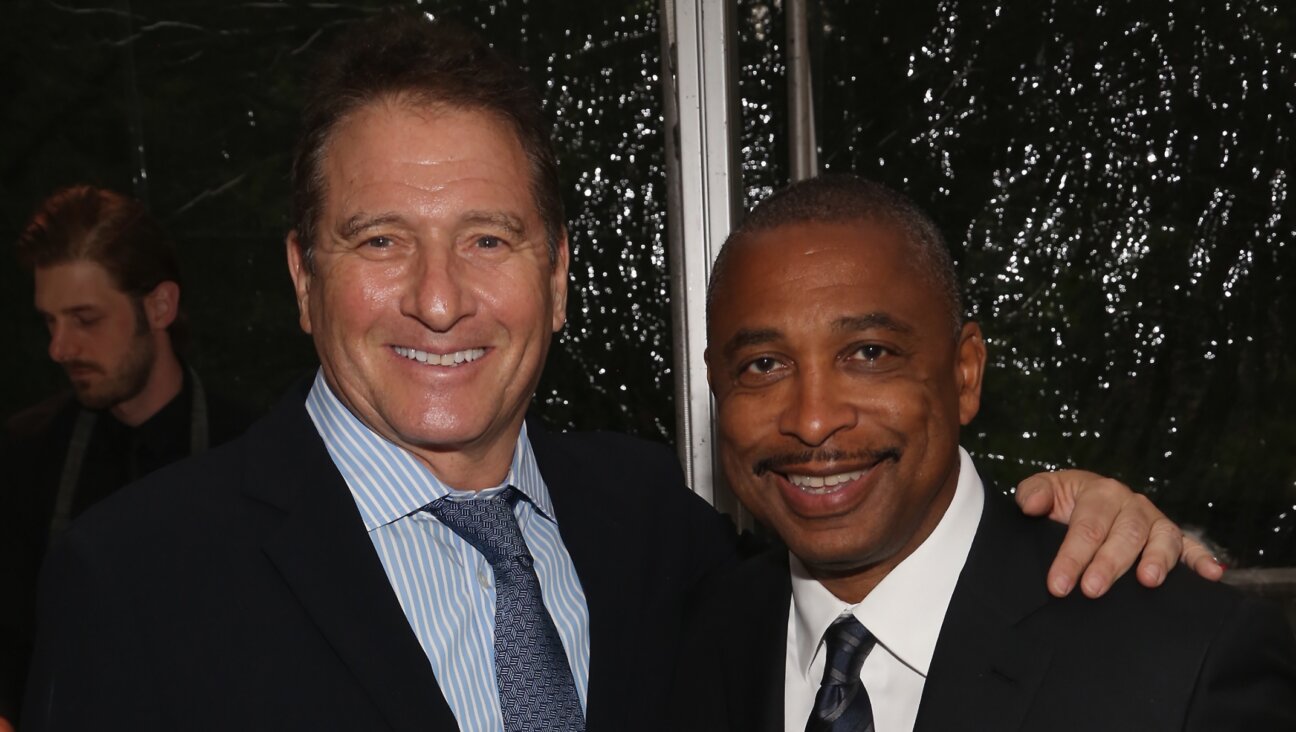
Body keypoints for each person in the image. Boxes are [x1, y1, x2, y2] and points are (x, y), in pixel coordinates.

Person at [22, 15, 1217, 732]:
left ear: (557, 277)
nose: (439, 298)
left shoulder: (658, 531)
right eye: (380, 241)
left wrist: (1063, 515)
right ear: (300, 275)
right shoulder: (134, 582)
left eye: (488, 239)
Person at [672, 175, 1296, 731]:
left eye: (868, 354)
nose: (812, 420)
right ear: (716, 387)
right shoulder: (682, 646)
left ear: (965, 374)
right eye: (764, 364)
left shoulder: (1185, 662)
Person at [0, 185, 253, 729]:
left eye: (85, 319)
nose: (59, 348)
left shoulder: (254, 452)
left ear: (160, 306)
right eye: (50, 322)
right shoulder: (22, 457)